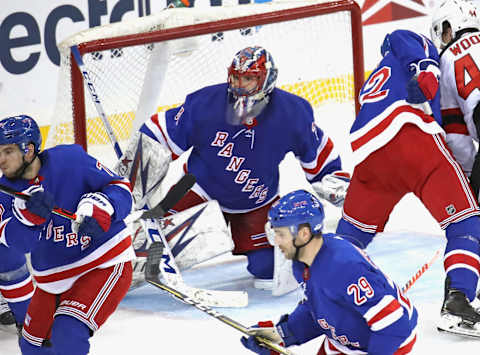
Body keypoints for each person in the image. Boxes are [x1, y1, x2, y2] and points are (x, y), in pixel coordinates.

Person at [121, 45, 350, 289]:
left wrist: (332, 180)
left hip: (256, 201)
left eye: (249, 78)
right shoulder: (205, 103)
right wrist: (131, 177)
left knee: (269, 272)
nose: (240, 85)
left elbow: (316, 153)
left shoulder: (292, 113)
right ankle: (116, 275)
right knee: (151, 246)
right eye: (237, 77)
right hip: (200, 189)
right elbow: (159, 134)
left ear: (266, 80)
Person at [335, 27, 480, 337]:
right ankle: (458, 301)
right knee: (465, 223)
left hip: (368, 153)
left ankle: (325, 296)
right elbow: (402, 35)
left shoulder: (380, 75)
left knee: (349, 238)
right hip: (412, 139)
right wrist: (426, 67)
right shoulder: (420, 50)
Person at [0, 115, 134, 354]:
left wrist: (102, 206)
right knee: (31, 348)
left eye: (8, 151)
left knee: (67, 335)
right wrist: (28, 219)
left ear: (29, 150)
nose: (1, 160)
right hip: (53, 279)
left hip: (103, 262)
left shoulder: (69, 160)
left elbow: (120, 187)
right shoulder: (5, 194)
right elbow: (18, 243)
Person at [241, 190, 418, 355]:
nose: (276, 242)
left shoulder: (345, 267)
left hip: (385, 343)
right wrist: (285, 334)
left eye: (281, 234)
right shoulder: (301, 263)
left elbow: (394, 325)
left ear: (303, 233)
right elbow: (321, 309)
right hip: (343, 340)